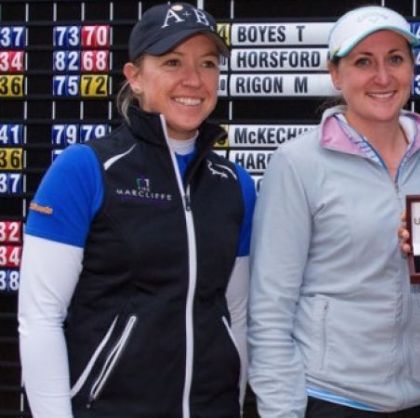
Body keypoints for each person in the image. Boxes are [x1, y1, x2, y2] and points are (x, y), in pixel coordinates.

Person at [17, 3, 256, 417]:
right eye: (172, 62)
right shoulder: (84, 169)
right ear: (136, 77)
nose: (194, 79)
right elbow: (40, 318)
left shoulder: (235, 183)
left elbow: (236, 314)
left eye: (207, 63)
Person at [248, 5, 420, 418]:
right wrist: (281, 410)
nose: (382, 77)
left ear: (412, 67)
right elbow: (270, 307)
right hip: (334, 398)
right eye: (363, 62)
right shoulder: (297, 163)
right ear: (335, 74)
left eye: (395, 59)